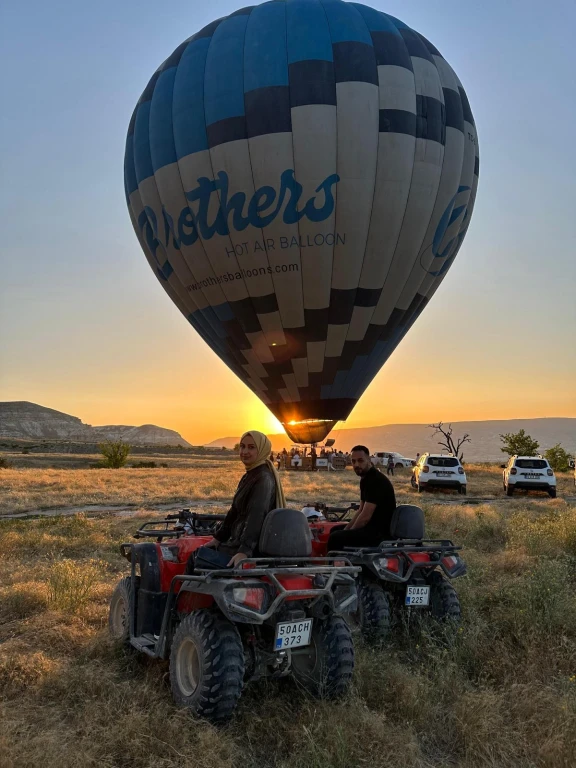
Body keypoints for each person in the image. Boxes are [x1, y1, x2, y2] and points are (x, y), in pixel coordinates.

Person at [203, 431, 286, 566]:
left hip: (252, 548)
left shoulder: (262, 478)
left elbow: (257, 515)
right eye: (242, 446)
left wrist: (244, 551)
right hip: (238, 541)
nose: (244, 451)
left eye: (251, 447)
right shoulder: (250, 475)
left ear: (262, 450)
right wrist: (218, 538)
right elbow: (234, 511)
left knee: (196, 558)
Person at [327, 445, 396, 550]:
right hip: (370, 528)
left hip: (379, 533)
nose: (356, 465)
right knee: (335, 531)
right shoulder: (365, 479)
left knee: (336, 538)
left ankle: (338, 565)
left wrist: (348, 535)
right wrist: (346, 530)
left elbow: (365, 517)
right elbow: (360, 510)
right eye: (353, 461)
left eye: (360, 461)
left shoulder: (375, 480)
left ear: (369, 460)